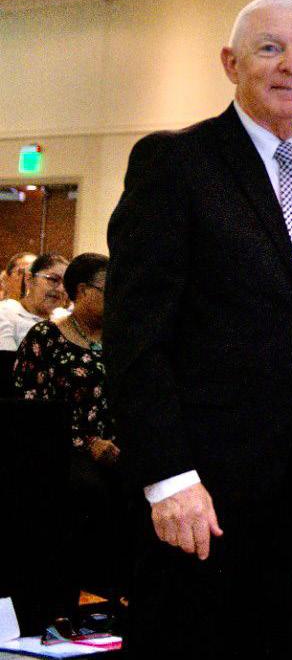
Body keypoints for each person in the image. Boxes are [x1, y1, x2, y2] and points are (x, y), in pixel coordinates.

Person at [103, 0, 292, 659]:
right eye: (270, 48)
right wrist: (168, 477)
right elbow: (136, 338)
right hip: (198, 496)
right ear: (231, 62)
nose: (291, 65)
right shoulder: (175, 164)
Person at [13, 252, 128, 597]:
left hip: (120, 447)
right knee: (88, 488)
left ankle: (121, 596)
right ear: (82, 291)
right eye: (109, 288)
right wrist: (88, 443)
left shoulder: (122, 340)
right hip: (62, 449)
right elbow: (32, 410)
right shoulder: (46, 337)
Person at [0, 253, 67, 351]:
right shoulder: (5, 313)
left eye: (66, 284)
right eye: (53, 279)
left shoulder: (66, 320)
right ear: (29, 279)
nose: (61, 289)